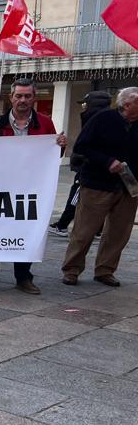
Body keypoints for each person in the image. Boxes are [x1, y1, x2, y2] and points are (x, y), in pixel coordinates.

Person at [0, 78, 66, 295]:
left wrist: (60, 147)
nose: (23, 100)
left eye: (27, 96)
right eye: (19, 96)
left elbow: (52, 156)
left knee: (26, 230)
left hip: (30, 189)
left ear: (34, 98)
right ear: (11, 98)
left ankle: (24, 277)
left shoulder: (45, 123)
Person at [61, 87, 138, 287]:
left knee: (119, 233)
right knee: (84, 231)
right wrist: (107, 161)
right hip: (97, 183)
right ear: (127, 104)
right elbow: (82, 147)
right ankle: (72, 269)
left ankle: (105, 270)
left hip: (129, 187)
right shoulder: (103, 119)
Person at [50, 90, 112, 237]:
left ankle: (63, 225)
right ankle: (96, 229)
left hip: (89, 169)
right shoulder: (96, 119)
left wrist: (81, 159)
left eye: (85, 104)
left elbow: (88, 147)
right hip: (92, 168)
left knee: (76, 196)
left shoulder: (96, 120)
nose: (83, 107)